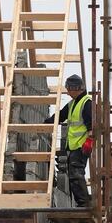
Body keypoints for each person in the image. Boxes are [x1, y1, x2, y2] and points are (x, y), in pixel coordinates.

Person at [46, 74, 93, 208]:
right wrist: (48, 122)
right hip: (74, 146)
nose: (67, 91)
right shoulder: (73, 103)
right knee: (74, 175)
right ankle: (83, 202)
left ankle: (84, 203)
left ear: (75, 88)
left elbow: (92, 126)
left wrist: (89, 141)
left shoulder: (86, 103)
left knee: (77, 174)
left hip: (81, 145)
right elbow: (61, 115)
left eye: (68, 88)